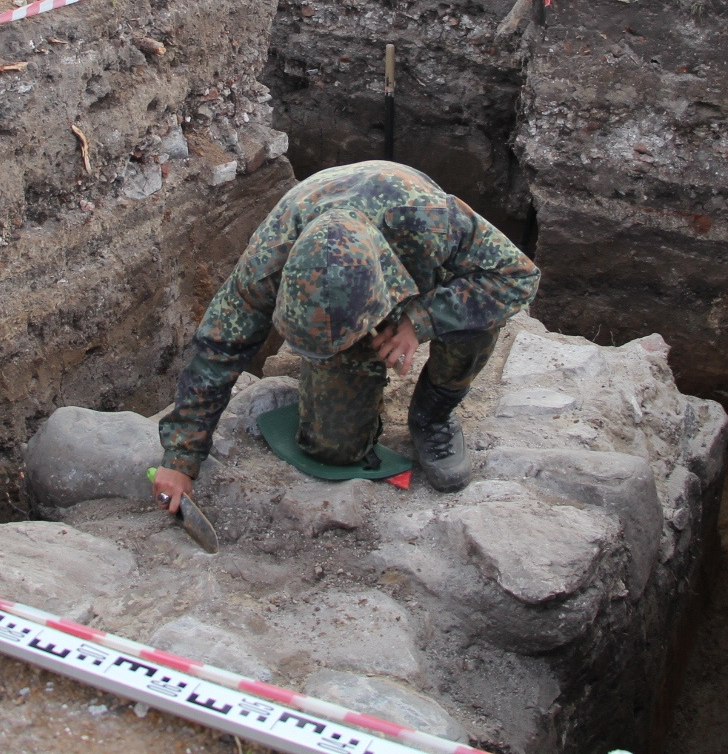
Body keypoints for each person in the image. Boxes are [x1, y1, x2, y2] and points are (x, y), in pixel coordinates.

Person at [152, 161, 540, 516]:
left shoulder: (431, 221)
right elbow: (219, 349)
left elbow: (518, 277)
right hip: (330, 241)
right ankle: (336, 374)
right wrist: (181, 456)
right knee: (334, 449)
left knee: (477, 318)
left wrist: (418, 322)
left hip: (405, 242)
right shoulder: (267, 261)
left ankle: (433, 414)